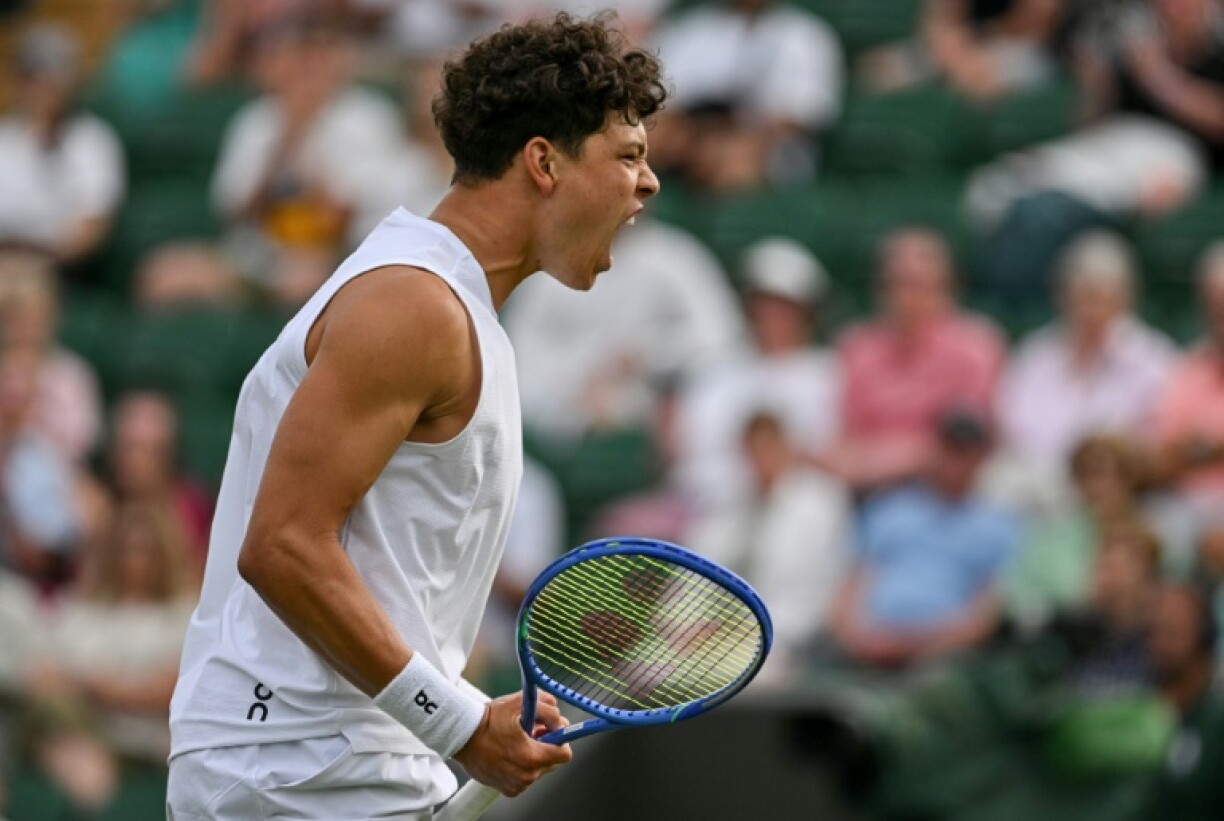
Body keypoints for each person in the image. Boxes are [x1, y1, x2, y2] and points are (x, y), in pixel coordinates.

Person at [169, 13, 664, 818]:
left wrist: (464, 707)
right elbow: (284, 546)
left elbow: (375, 575)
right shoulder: (413, 305)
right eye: (630, 155)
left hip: (347, 767)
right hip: (295, 775)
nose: (647, 183)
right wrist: (465, 724)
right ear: (543, 160)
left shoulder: (454, 307)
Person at [828, 408, 1021, 668]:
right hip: (867, 647)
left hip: (944, 657)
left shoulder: (999, 527)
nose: (955, 462)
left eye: (965, 452)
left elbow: (986, 615)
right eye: (949, 449)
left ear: (981, 458)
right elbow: (852, 588)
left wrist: (916, 646)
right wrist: (858, 638)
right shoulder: (890, 509)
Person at [824, 227, 1006, 491]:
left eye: (914, 285)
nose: (902, 298)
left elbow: (964, 444)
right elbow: (843, 442)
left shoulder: (976, 347)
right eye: (892, 284)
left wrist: (888, 462)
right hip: (862, 488)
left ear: (946, 288)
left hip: (947, 490)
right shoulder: (857, 348)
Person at [685, 412, 852, 681]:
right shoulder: (724, 506)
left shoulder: (821, 504)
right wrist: (685, 626)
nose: (760, 459)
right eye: (752, 450)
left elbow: (812, 596)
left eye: (768, 448)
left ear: (786, 447)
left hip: (778, 641)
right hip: (706, 639)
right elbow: (691, 576)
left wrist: (743, 631)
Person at [675, 237, 840, 506]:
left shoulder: (829, 372)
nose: (771, 316)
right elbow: (693, 459)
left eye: (785, 307)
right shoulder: (715, 371)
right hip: (712, 504)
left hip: (797, 505)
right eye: (762, 304)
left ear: (807, 312)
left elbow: (827, 455)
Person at [999, 231, 1177, 471]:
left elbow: (1155, 444)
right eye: (1082, 297)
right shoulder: (1034, 355)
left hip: (1120, 490)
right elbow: (1011, 431)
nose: (1090, 311)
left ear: (1126, 298)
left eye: (1101, 298)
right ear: (1062, 296)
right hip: (1036, 487)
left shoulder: (1155, 359)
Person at [0, 24, 125, 265]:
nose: (41, 89)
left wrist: (42, 259)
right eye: (32, 78)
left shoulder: (92, 140)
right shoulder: (3, 137)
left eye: (51, 78)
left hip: (58, 267)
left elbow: (93, 226)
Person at [1145, 582, 1224, 819]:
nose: (1161, 643)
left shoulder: (1216, 721)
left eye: (1173, 631)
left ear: (1203, 637)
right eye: (1154, 630)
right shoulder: (1136, 709)